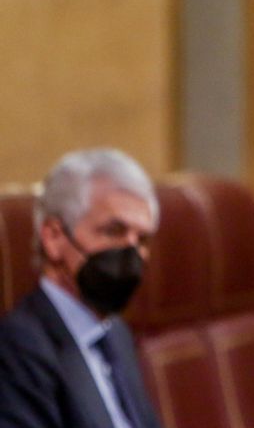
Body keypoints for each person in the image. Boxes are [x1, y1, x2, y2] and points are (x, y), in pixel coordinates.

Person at [0, 148, 162, 428]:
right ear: (53, 237)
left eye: (142, 240)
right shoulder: (19, 346)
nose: (131, 253)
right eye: (113, 231)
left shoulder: (116, 333)